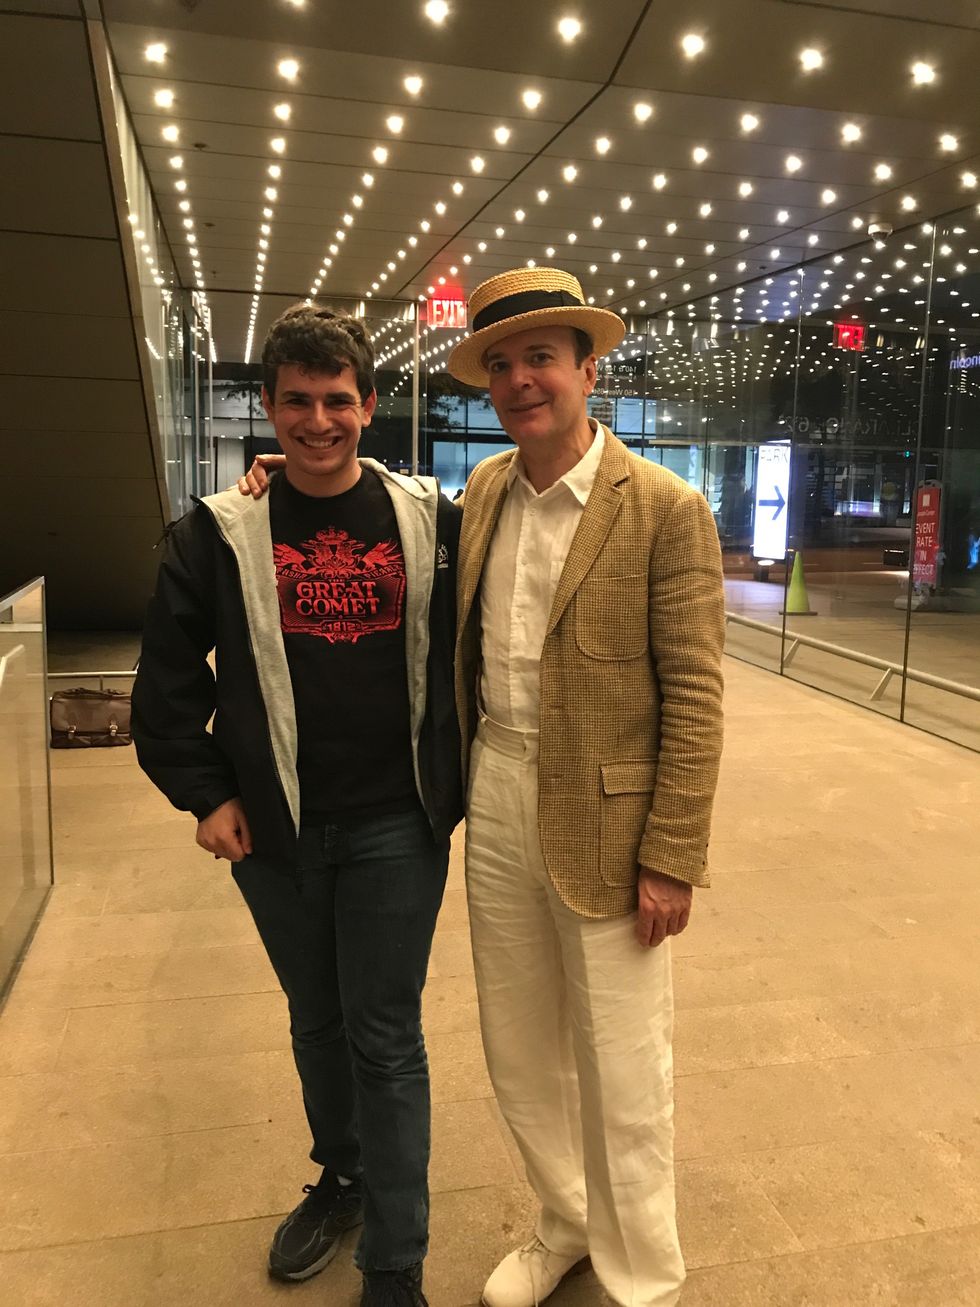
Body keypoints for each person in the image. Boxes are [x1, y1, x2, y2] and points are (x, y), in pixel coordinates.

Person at [132, 304, 462, 1307]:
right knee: (315, 1021)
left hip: (396, 822)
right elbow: (166, 687)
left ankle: (394, 1261)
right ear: (270, 409)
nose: (319, 420)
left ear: (369, 403)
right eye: (298, 402)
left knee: (384, 1034)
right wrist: (206, 793)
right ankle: (344, 1174)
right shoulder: (217, 533)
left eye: (337, 400)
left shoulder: (429, 523)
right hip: (274, 829)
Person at [447, 268, 725, 1307]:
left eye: (541, 358)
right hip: (497, 786)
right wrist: (275, 478)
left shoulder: (662, 507)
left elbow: (694, 693)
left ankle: (642, 1275)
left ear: (587, 369)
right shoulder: (482, 492)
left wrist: (672, 853)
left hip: (611, 818)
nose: (521, 380)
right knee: (517, 1042)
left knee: (623, 1058)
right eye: (502, 365)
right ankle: (564, 1220)